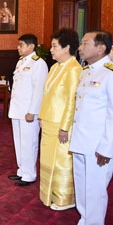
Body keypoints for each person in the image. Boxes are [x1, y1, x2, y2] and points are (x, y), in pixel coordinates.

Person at [62, 30, 113, 225]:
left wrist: (107, 148)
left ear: (101, 47)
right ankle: (84, 224)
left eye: (85, 43)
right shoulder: (87, 72)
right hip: (82, 141)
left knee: (96, 189)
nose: (80, 47)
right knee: (82, 187)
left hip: (99, 146)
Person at [38, 28, 82, 211]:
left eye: (55, 46)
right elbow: (46, 95)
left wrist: (65, 127)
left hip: (61, 125)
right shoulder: (55, 67)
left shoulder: (74, 69)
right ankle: (49, 194)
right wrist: (41, 115)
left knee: (61, 161)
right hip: (49, 120)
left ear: (67, 48)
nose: (51, 49)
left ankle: (65, 198)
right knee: (48, 160)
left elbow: (72, 101)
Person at [8, 33, 48, 187]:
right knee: (18, 142)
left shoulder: (39, 64)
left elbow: (38, 89)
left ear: (31, 46)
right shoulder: (21, 62)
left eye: (21, 45)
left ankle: (30, 174)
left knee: (28, 143)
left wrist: (32, 111)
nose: (18, 48)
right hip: (17, 109)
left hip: (28, 112)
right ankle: (22, 170)